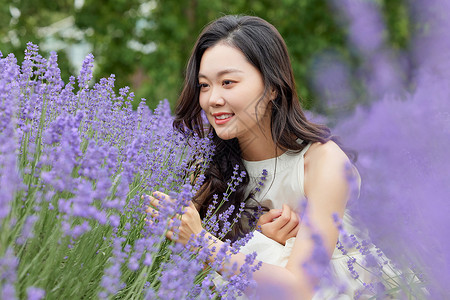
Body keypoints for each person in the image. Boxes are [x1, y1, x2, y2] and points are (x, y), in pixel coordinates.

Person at [148, 15, 369, 299]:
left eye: (227, 82)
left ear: (272, 87)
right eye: (204, 85)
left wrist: (200, 240)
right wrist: (259, 242)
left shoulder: (324, 163)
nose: (212, 99)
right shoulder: (208, 166)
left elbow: (300, 288)